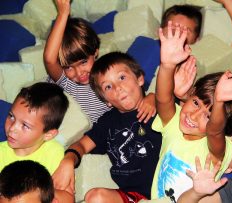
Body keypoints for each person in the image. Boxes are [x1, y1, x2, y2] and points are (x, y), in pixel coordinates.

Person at [151, 20, 232, 201]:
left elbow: (215, 129)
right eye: (196, 103)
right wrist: (167, 65)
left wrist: (220, 102)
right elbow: (163, 99)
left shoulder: (217, 150)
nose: (193, 115)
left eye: (208, 116)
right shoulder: (174, 125)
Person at [52, 52, 162, 203]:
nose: (118, 88)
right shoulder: (108, 122)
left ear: (140, 78)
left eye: (122, 77)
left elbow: (182, 101)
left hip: (167, 188)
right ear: (106, 101)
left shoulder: (160, 106)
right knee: (94, 197)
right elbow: (82, 145)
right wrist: (68, 160)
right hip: (132, 197)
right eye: (108, 87)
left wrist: (155, 97)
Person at [44, 0, 155, 124]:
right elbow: (49, 59)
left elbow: (136, 90)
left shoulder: (107, 79)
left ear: (95, 52)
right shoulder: (66, 82)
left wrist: (152, 98)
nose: (79, 72)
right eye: (69, 67)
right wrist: (63, 13)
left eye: (83, 62)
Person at [147, 0, 232, 96]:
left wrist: (229, 3)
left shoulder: (201, 56)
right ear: (159, 31)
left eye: (186, 31)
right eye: (172, 28)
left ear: (197, 39)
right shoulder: (147, 48)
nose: (177, 33)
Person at [0, 82, 73, 202]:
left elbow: (68, 198)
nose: (12, 128)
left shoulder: (54, 152)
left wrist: (34, 192)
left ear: (48, 134)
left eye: (25, 125)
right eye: (11, 116)